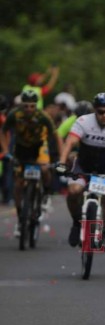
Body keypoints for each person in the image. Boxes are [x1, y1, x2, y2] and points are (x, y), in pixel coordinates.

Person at [55, 93, 105, 249]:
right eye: (100, 112)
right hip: (83, 166)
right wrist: (62, 163)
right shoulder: (83, 121)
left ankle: (104, 231)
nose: (104, 116)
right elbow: (70, 143)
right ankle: (77, 223)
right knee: (73, 191)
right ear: (94, 110)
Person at [0, 89, 62, 236]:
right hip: (21, 149)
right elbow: (3, 131)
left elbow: (56, 135)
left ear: (36, 106)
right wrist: (5, 151)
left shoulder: (43, 116)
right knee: (19, 184)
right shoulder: (14, 114)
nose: (29, 109)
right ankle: (21, 214)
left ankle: (45, 193)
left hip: (39, 147)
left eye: (32, 106)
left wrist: (61, 158)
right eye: (26, 106)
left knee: (45, 170)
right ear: (22, 105)